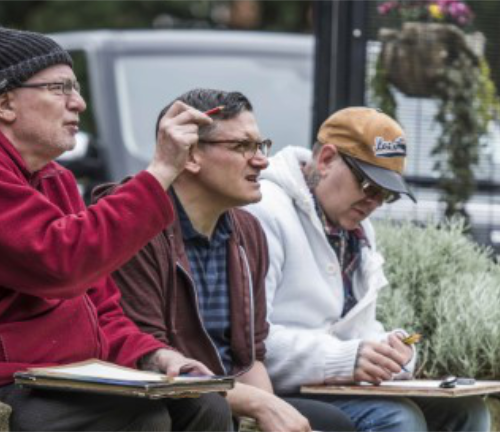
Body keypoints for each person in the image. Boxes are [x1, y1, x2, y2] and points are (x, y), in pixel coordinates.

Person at [0, 21, 230, 432]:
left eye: (75, 88)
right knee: (137, 419)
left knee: (205, 406)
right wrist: (161, 170)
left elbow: (98, 304)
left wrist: (153, 356)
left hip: (57, 374)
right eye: (60, 88)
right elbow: (61, 262)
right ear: (5, 103)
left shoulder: (53, 178)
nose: (78, 103)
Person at [102, 88, 355, 432]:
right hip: (168, 403)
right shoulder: (133, 222)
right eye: (241, 147)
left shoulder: (248, 231)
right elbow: (149, 360)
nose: (262, 160)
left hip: (228, 399)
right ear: (189, 155)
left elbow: (250, 357)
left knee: (335, 423)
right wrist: (259, 404)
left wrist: (267, 414)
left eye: (260, 145)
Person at [245, 107, 491, 432]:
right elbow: (248, 342)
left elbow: (353, 329)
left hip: (325, 383)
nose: (374, 201)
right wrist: (348, 358)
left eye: (386, 194)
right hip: (273, 389)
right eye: (368, 184)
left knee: (468, 412)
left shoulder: (356, 226)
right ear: (326, 159)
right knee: (398, 419)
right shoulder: (265, 212)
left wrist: (389, 348)